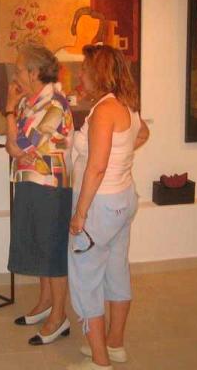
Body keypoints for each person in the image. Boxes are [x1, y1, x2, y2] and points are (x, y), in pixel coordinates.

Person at [66, 45, 149, 370]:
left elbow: (97, 168)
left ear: (97, 73)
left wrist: (80, 214)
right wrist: (122, 157)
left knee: (85, 279)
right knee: (116, 271)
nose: (81, 74)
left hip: (100, 205)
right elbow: (142, 134)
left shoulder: (103, 111)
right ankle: (114, 345)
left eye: (85, 69)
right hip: (122, 199)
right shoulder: (126, 104)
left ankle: (100, 362)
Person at [4, 43, 75, 346]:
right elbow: (12, 146)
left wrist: (9, 109)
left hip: (50, 187)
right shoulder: (28, 102)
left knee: (52, 251)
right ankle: (45, 303)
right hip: (28, 181)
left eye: (19, 69)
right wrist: (14, 113)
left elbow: (19, 145)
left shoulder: (55, 105)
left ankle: (59, 317)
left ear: (34, 73)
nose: (15, 74)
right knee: (39, 246)